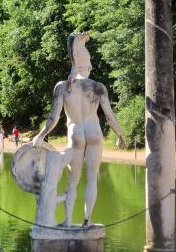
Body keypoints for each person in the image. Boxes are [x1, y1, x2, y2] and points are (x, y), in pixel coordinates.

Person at [31, 33, 125, 227]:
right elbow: (110, 116)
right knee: (92, 179)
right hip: (94, 132)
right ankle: (87, 220)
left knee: (73, 181)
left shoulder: (63, 87)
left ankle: (67, 221)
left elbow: (53, 118)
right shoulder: (98, 87)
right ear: (88, 66)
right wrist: (121, 136)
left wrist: (41, 136)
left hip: (75, 132)